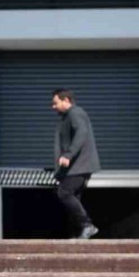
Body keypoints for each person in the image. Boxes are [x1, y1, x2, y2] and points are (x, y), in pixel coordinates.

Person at [51, 89, 101, 239]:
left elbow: (81, 133)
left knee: (64, 193)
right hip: (76, 167)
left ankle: (87, 225)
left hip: (79, 165)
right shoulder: (67, 117)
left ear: (66, 100)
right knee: (74, 199)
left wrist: (68, 154)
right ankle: (78, 233)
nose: (53, 107)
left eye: (55, 103)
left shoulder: (75, 113)